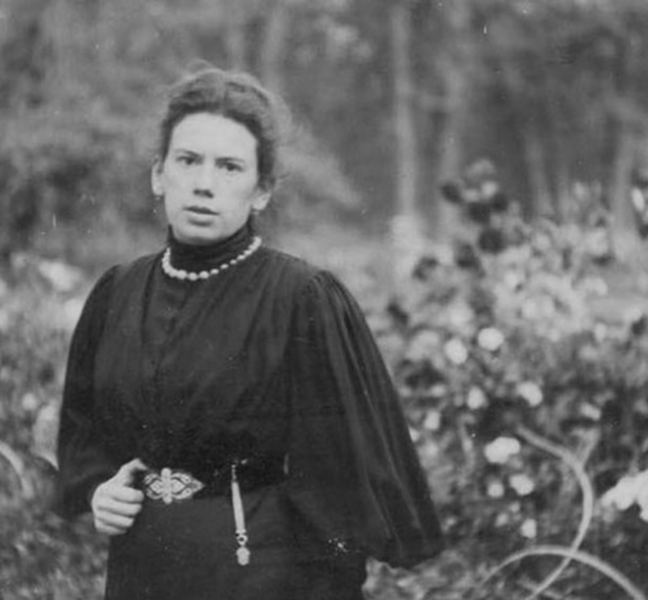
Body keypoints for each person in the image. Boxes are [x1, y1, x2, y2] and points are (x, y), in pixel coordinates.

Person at [53, 67, 444, 600]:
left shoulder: (301, 298)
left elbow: (337, 480)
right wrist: (101, 490)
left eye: (230, 166)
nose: (204, 183)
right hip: (142, 567)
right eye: (187, 160)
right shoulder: (118, 292)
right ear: (158, 175)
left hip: (259, 570)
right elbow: (85, 432)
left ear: (261, 191)